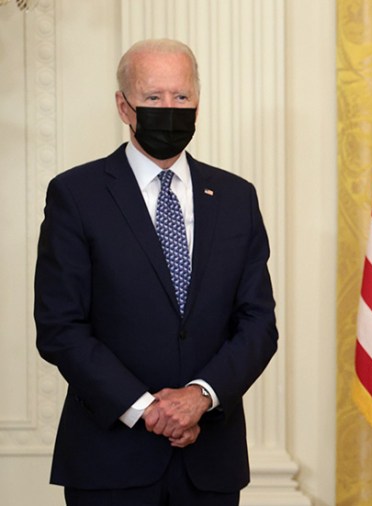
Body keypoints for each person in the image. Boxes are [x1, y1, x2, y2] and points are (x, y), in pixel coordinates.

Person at [34, 39, 277, 505]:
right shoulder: (76, 195)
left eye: (180, 97)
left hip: (210, 465)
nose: (170, 108)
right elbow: (60, 327)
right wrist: (149, 409)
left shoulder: (236, 198)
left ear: (198, 104)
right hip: (109, 464)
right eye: (153, 98)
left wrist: (200, 397)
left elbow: (258, 324)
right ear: (124, 107)